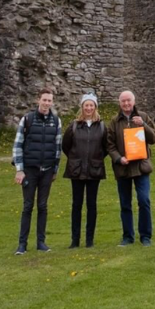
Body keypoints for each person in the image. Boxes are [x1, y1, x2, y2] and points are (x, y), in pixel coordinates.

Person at [12, 88, 62, 254]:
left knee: (42, 206)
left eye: (49, 100)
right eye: (44, 100)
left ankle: (41, 242)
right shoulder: (27, 119)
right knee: (27, 206)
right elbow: (18, 145)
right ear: (38, 100)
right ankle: (22, 244)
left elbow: (57, 147)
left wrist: (55, 169)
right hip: (30, 170)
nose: (47, 103)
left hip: (47, 170)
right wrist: (19, 170)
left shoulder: (56, 121)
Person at [107, 90, 155, 246]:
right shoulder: (114, 122)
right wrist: (118, 158)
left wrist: (142, 126)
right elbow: (110, 145)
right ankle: (128, 237)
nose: (126, 104)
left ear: (134, 101)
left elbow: (154, 138)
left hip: (141, 167)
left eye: (129, 100)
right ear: (119, 103)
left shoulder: (143, 117)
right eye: (123, 101)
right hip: (123, 168)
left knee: (144, 201)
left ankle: (145, 236)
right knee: (125, 203)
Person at [61, 92, 108, 248]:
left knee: (92, 205)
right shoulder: (74, 125)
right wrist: (75, 158)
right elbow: (66, 146)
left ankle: (89, 240)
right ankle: (75, 240)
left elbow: (106, 147)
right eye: (86, 105)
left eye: (91, 105)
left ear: (95, 107)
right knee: (77, 204)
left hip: (94, 169)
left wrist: (96, 158)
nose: (89, 108)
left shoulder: (101, 126)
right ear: (82, 107)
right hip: (77, 170)